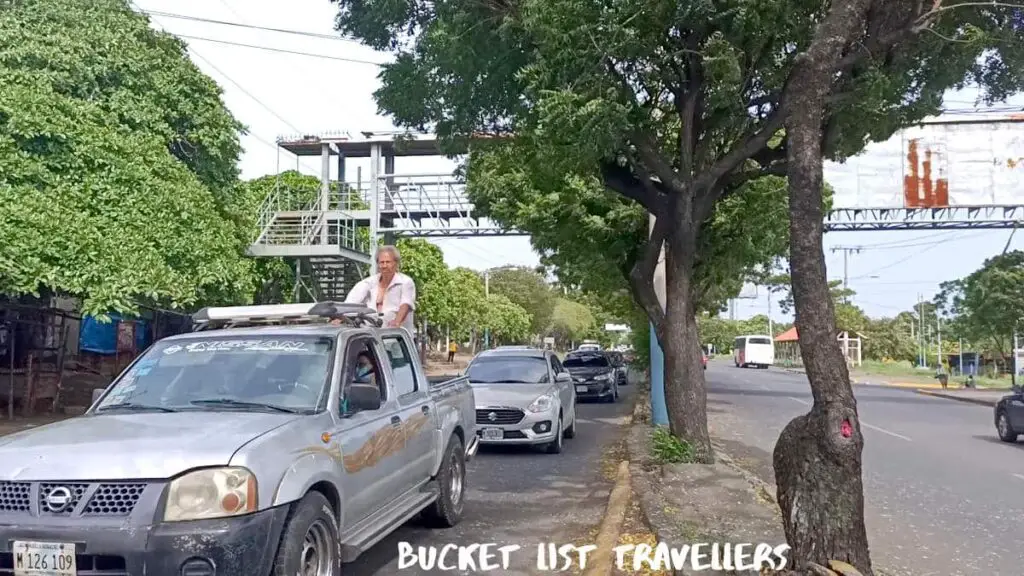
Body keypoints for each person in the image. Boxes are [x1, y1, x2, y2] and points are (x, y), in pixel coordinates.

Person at [344, 245, 416, 335]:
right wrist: (340, 317)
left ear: (396, 263)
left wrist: (397, 321)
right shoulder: (368, 283)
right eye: (381, 262)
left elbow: (405, 304)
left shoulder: (406, 282)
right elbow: (351, 303)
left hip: (396, 337)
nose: (384, 266)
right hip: (372, 337)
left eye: (388, 262)